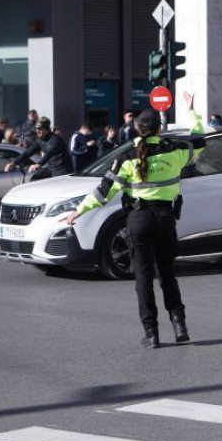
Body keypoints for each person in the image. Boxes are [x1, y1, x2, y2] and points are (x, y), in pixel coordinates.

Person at [63, 95, 204, 348]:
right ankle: (179, 325)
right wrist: (191, 111)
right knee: (167, 274)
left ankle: (152, 334)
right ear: (159, 129)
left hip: (139, 220)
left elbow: (103, 191)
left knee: (143, 278)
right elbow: (200, 139)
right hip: (165, 219)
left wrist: (78, 212)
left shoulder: (127, 156)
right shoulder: (174, 150)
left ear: (137, 128)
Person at [5, 117, 72, 180]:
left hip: (62, 169)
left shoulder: (55, 140)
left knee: (56, 188)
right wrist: (14, 162)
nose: (37, 131)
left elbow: (49, 153)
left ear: (46, 129)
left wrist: (39, 164)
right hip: (51, 168)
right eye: (36, 128)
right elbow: (28, 152)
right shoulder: (40, 140)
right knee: (34, 179)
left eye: (40, 128)